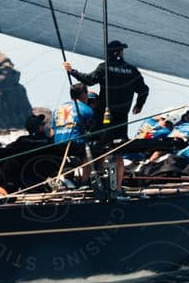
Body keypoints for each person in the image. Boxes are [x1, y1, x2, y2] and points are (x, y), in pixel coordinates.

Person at [64, 40, 149, 188]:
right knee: (118, 151)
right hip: (122, 117)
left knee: (95, 146)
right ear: (120, 52)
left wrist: (72, 71)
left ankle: (87, 182)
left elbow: (89, 81)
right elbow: (144, 90)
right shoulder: (132, 70)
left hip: (104, 116)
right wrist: (139, 105)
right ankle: (117, 186)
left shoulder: (104, 67)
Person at [51, 83, 96, 181]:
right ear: (84, 94)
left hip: (58, 144)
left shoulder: (57, 109)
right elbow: (93, 129)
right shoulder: (87, 109)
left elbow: (52, 132)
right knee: (92, 151)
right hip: (76, 143)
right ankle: (85, 182)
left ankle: (67, 178)